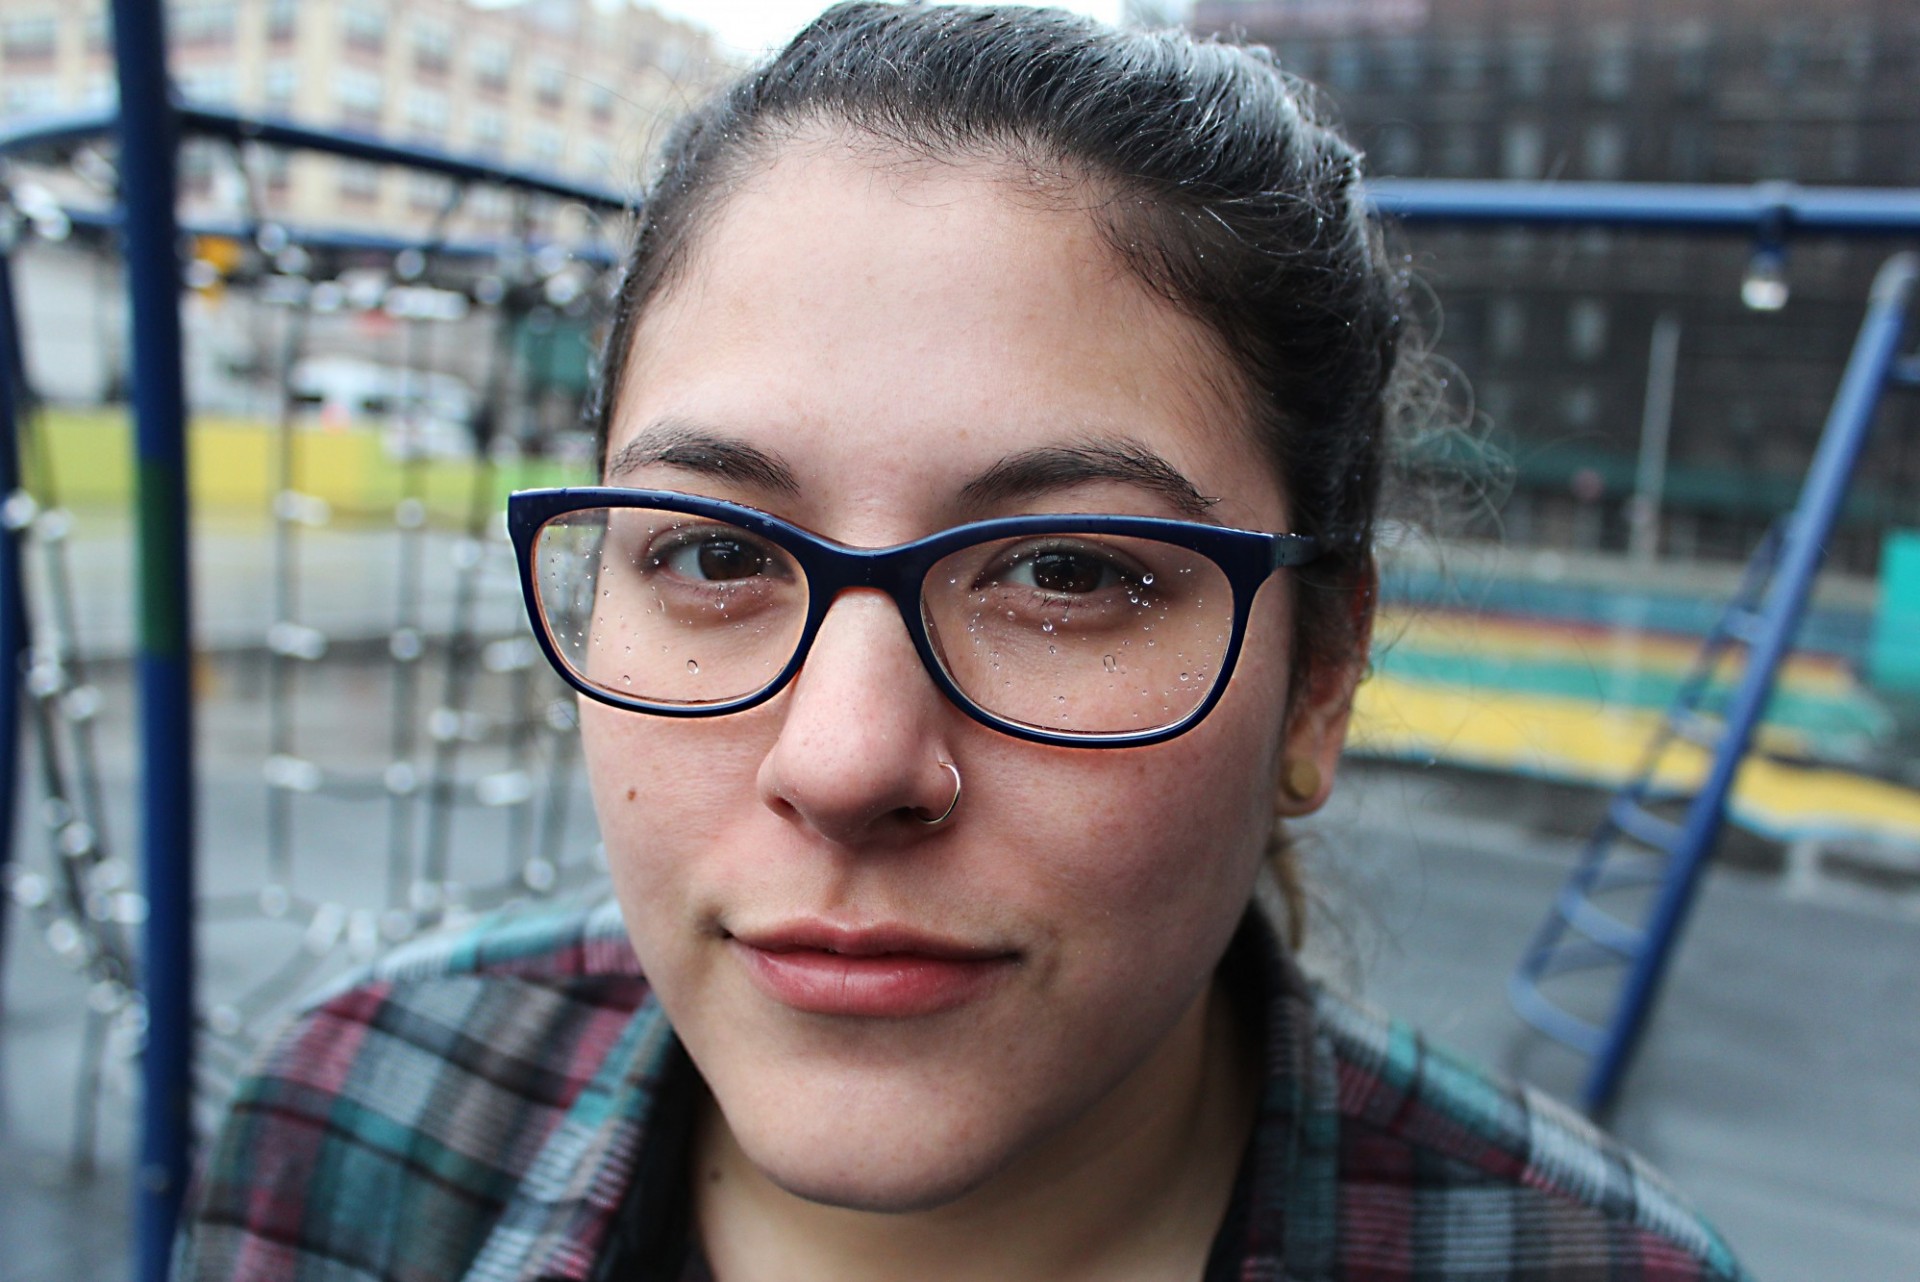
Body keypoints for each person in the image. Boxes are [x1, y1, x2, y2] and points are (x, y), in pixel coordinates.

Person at [179, 5, 1750, 1280]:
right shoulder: (355, 1117)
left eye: (1065, 571)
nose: (847, 760)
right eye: (716, 551)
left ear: (1317, 677)